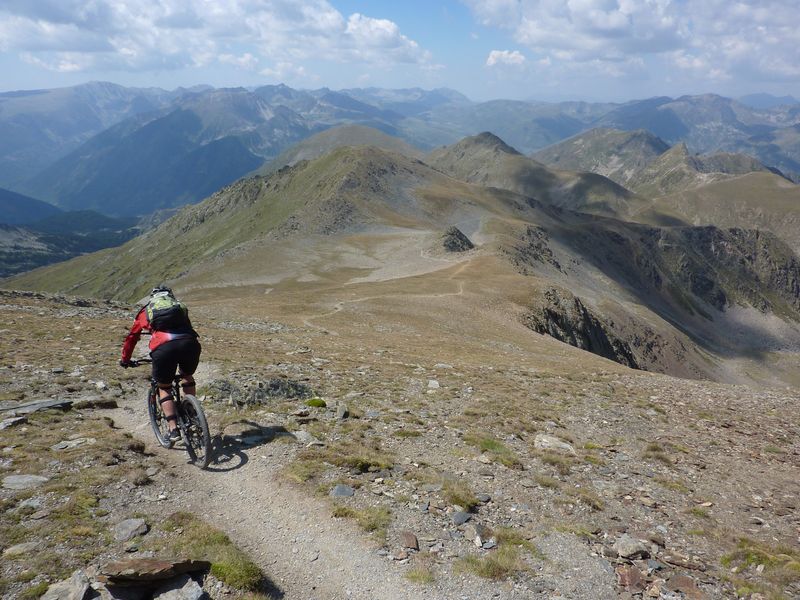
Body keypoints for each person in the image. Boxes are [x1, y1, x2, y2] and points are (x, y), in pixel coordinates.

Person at [119, 285, 201, 442]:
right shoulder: (179, 307)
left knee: (164, 387)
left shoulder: (146, 311)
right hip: (190, 343)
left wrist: (125, 359)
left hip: (164, 347)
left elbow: (132, 337)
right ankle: (192, 412)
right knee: (187, 375)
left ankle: (173, 429)